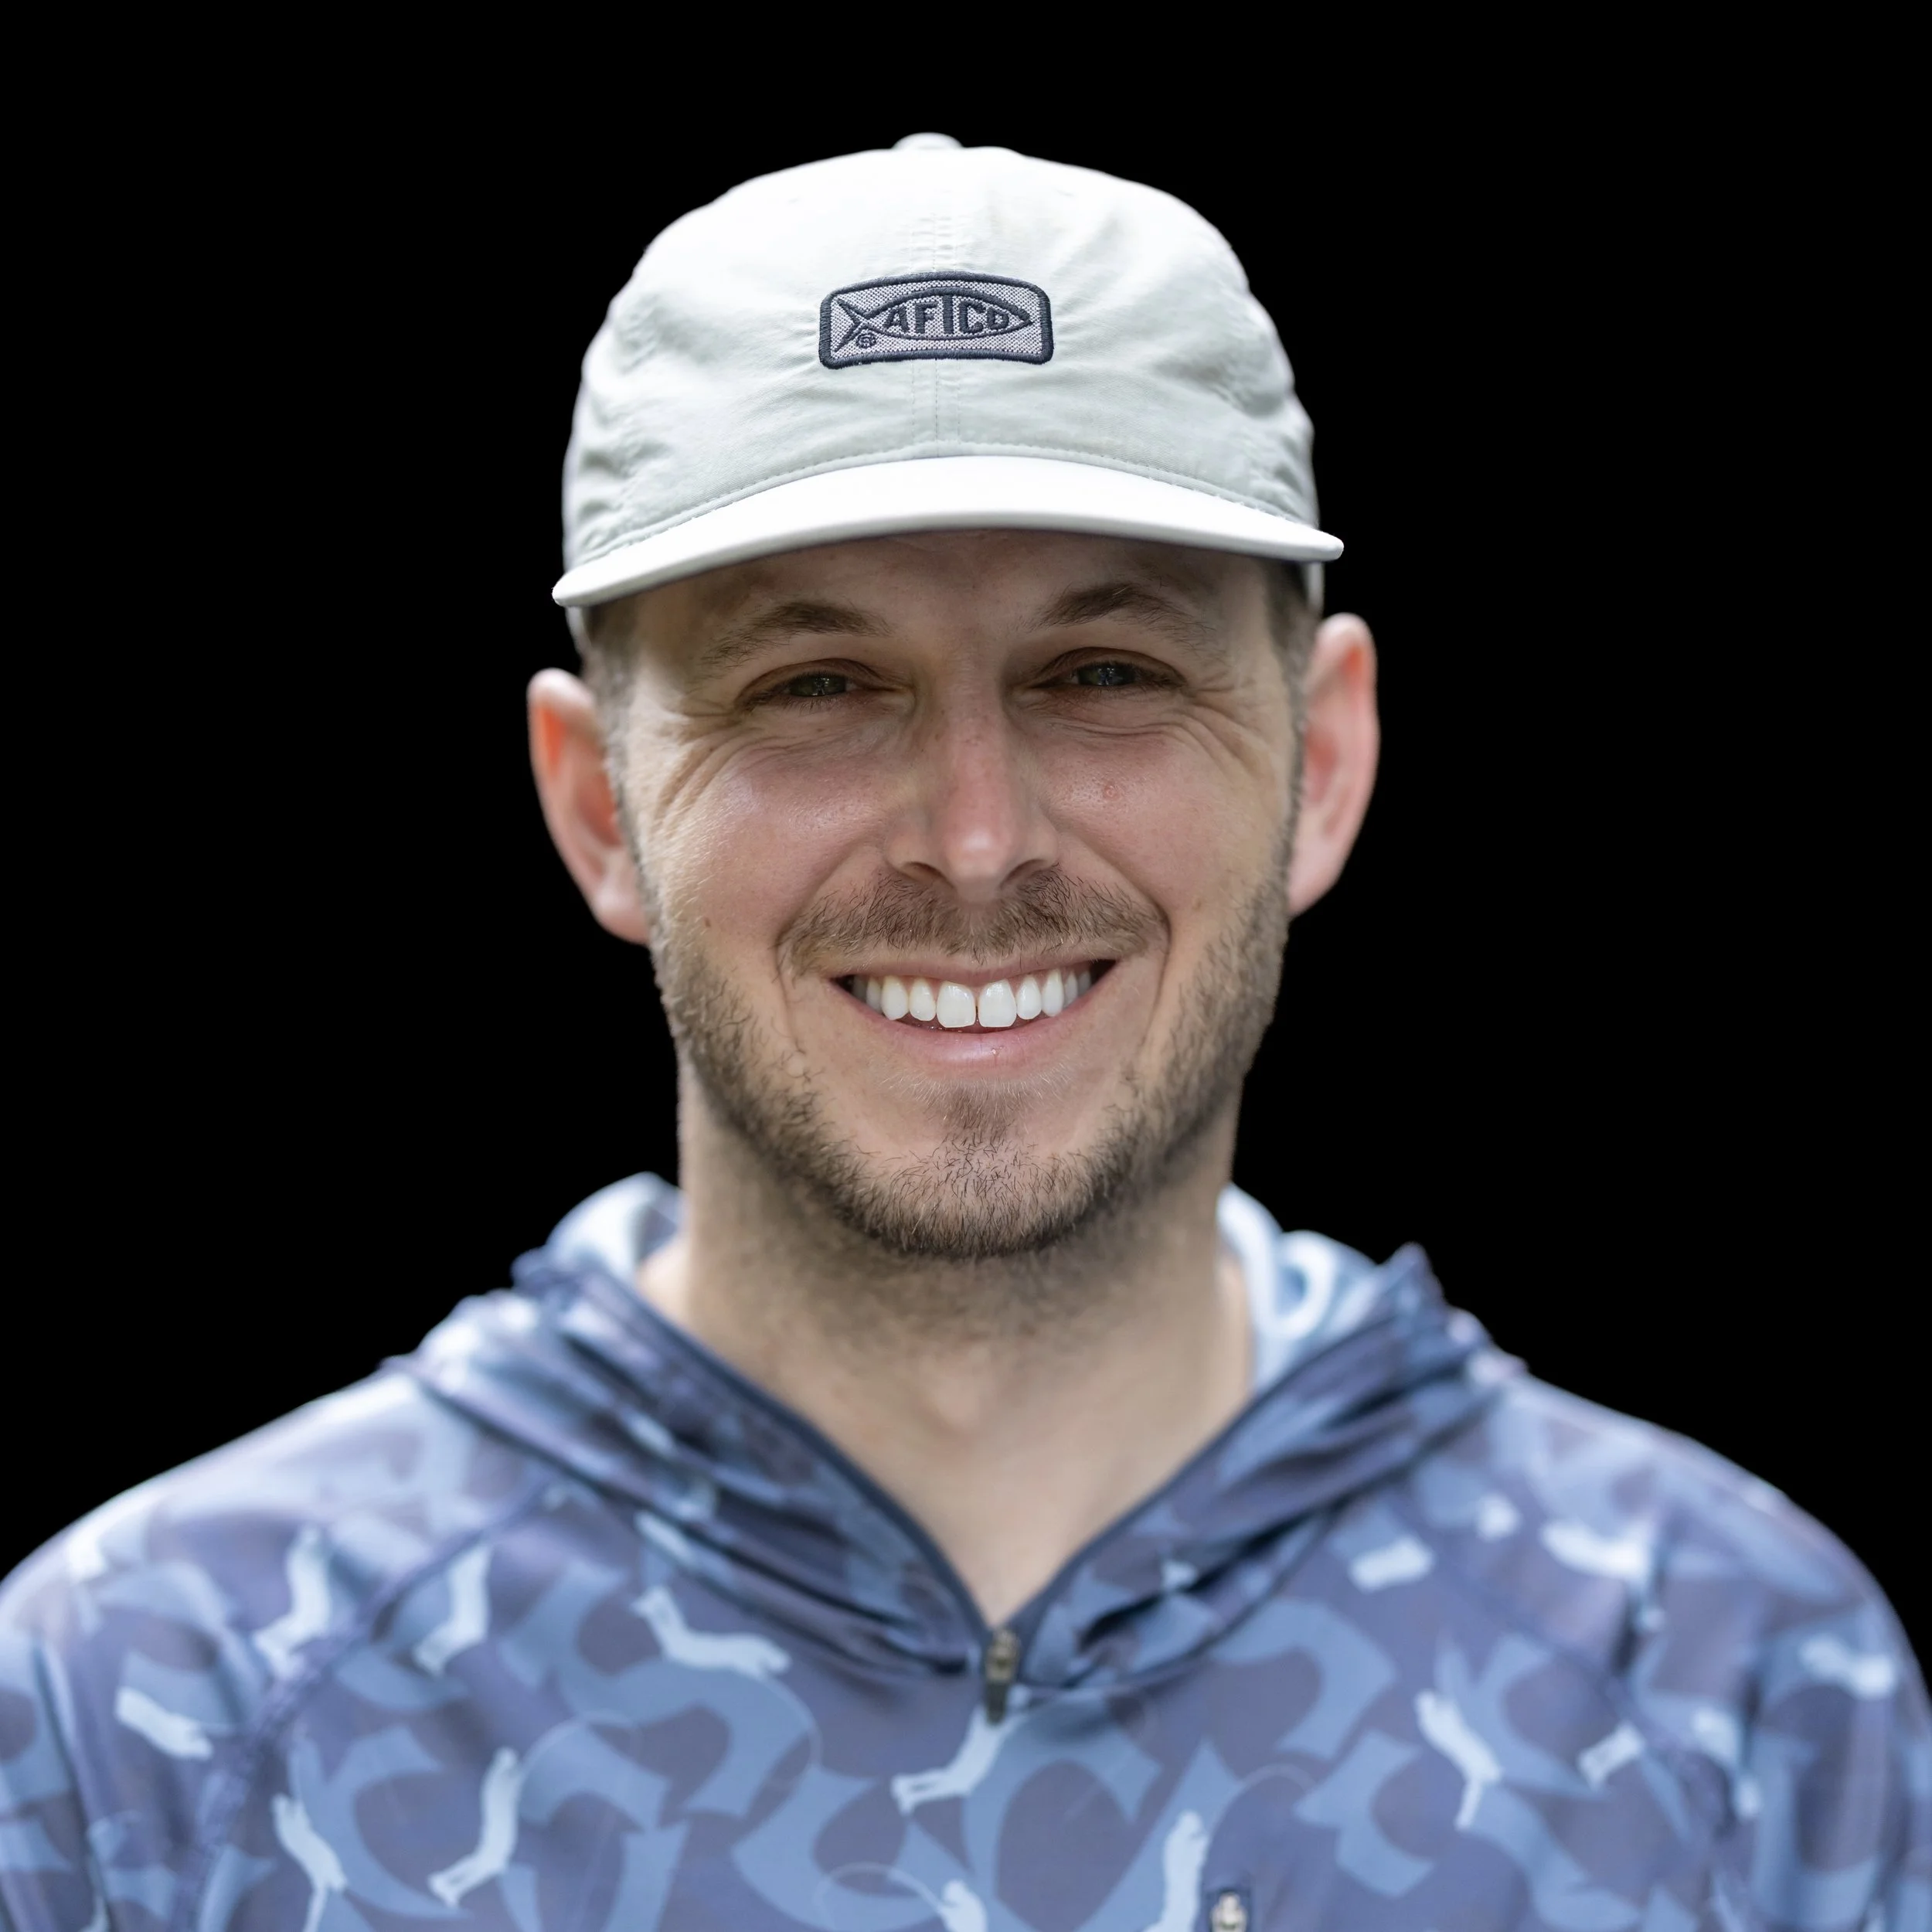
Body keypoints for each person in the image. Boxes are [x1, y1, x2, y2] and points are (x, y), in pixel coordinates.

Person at [2, 134, 1925, 1932]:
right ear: (598, 806)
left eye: (1103, 669)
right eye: (815, 682)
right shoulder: (148, 1706)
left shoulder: (1730, 1680)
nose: (978, 836)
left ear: (1321, 764)